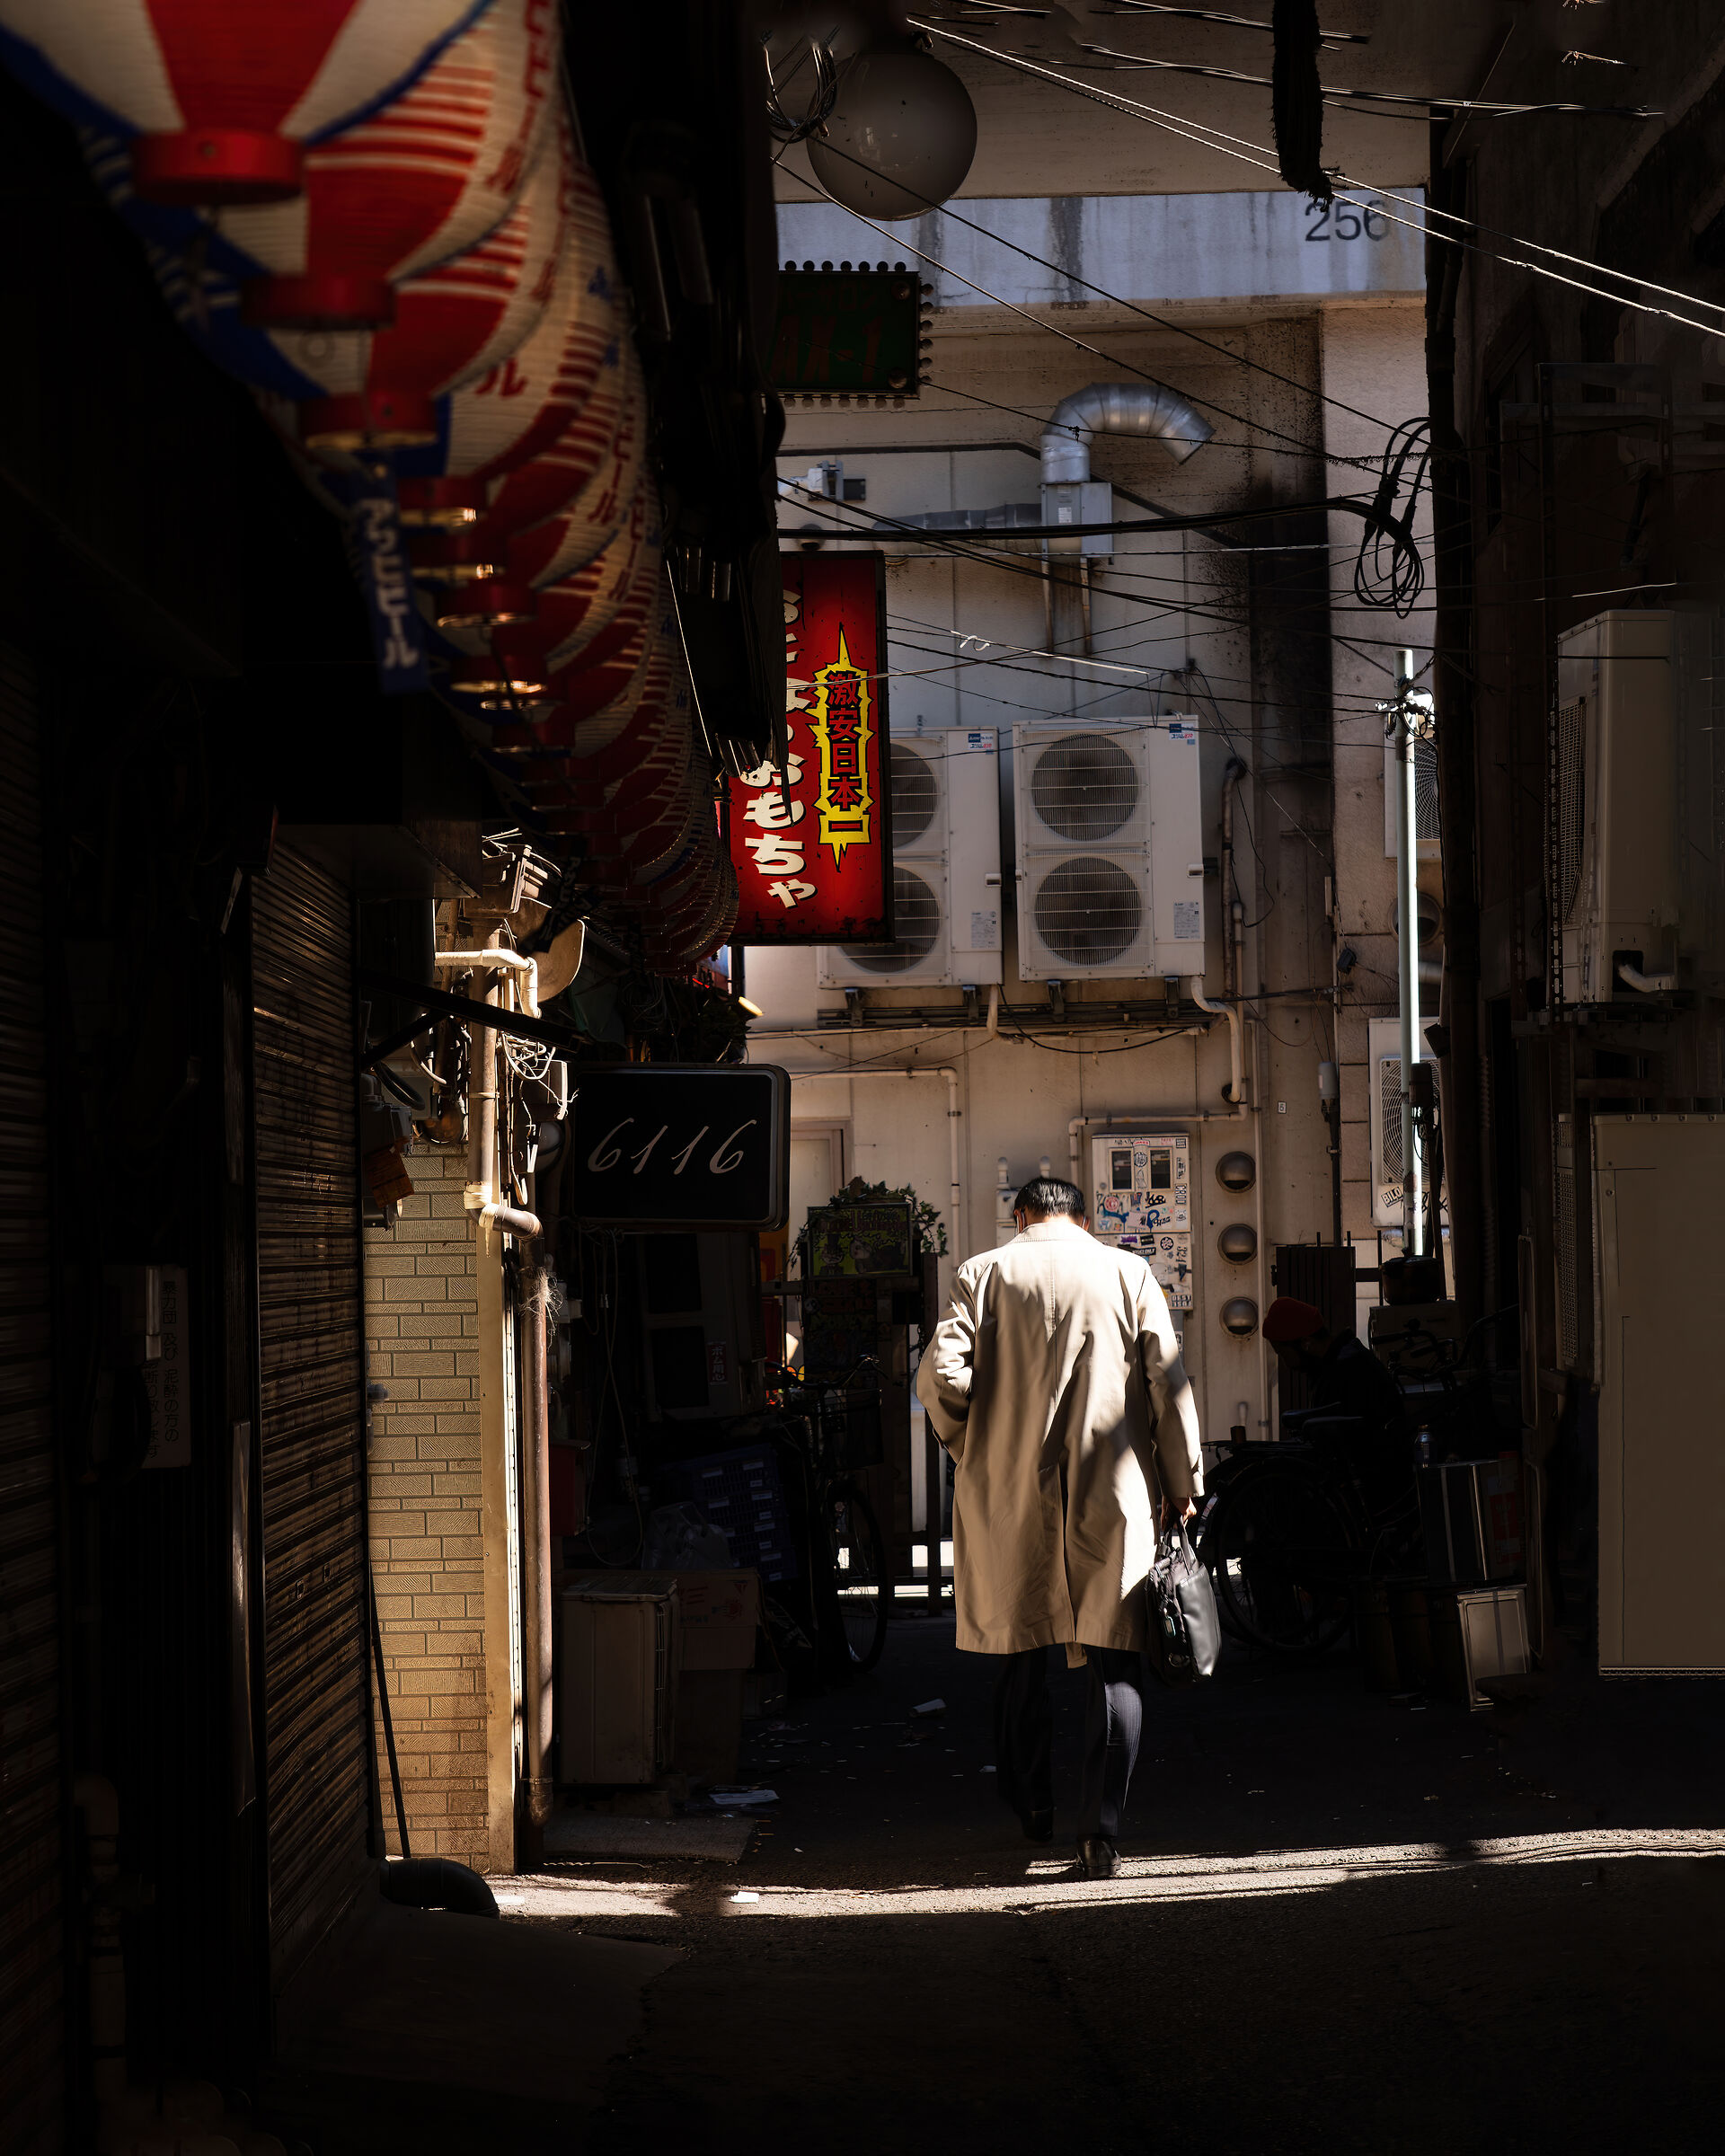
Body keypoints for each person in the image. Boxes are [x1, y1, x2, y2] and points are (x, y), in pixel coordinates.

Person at [916, 1176, 1202, 1880]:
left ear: (1021, 1215)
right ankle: (1099, 1832)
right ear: (1081, 1215)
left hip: (1010, 1491)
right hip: (1116, 1491)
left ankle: (1033, 1808)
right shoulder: (1129, 1270)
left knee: (1020, 1654)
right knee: (1116, 1658)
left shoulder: (981, 1274)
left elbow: (940, 1378)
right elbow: (1168, 1383)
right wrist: (1183, 1485)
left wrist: (970, 1446)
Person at [1260, 1296, 1408, 1507]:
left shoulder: (1344, 1372)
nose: (1285, 1363)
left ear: (1306, 1344)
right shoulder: (1347, 1358)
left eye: (1283, 1353)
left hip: (1376, 1481)